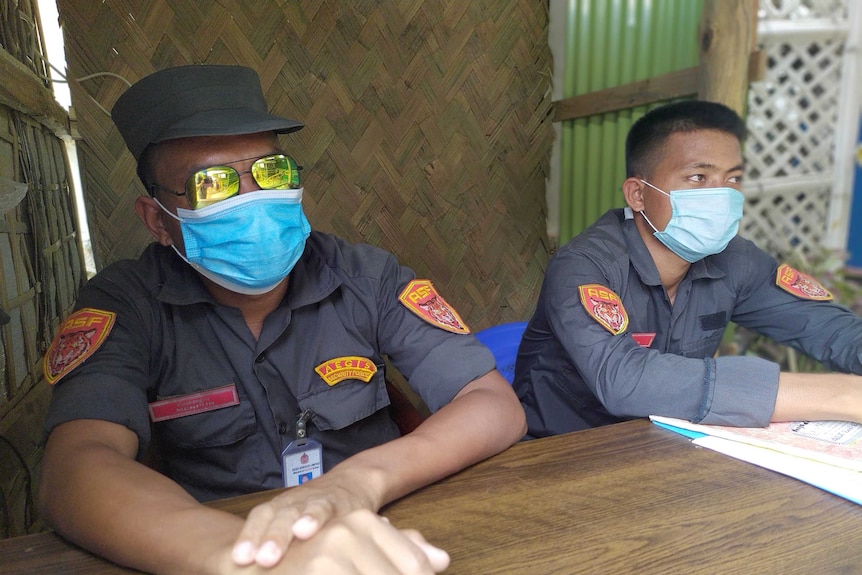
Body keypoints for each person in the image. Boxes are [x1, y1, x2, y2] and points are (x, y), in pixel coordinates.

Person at [38, 64, 526, 574]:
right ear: (158, 219)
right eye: (213, 184)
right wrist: (245, 556)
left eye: (272, 171)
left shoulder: (366, 276)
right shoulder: (129, 304)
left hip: (393, 533)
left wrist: (354, 484)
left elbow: (493, 405)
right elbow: (74, 466)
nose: (254, 200)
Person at [513, 99, 862, 438]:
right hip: (557, 452)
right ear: (637, 195)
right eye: (698, 177)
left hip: (667, 446)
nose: (721, 196)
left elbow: (831, 330)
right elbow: (622, 380)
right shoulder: (584, 266)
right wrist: (841, 396)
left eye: (733, 179)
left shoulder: (736, 260)